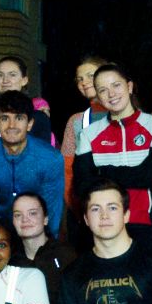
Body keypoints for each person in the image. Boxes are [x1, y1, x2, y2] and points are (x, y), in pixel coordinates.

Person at [74, 64, 152, 237]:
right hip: (106, 228)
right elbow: (82, 185)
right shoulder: (88, 134)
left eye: (116, 85)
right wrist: (136, 174)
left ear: (129, 86)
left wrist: (102, 172)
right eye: (103, 90)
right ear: (97, 95)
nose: (111, 94)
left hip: (150, 225)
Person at [0, 91, 64, 232]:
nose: (11, 125)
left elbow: (51, 213)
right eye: (5, 118)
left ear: (30, 124)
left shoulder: (50, 159)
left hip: (36, 231)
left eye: (19, 118)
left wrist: (46, 249)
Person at [10, 192, 77, 304]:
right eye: (18, 215)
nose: (25, 219)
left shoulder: (65, 254)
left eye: (33, 213)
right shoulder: (11, 261)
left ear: (45, 219)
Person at [60, 55, 107, 215]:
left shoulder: (129, 115)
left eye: (90, 76)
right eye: (79, 79)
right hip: (86, 207)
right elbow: (67, 168)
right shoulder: (76, 121)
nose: (84, 82)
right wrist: (75, 204)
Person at [0, 55, 52, 146]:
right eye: (0, 75)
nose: (5, 80)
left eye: (12, 75)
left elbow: (44, 154)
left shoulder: (38, 117)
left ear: (24, 80)